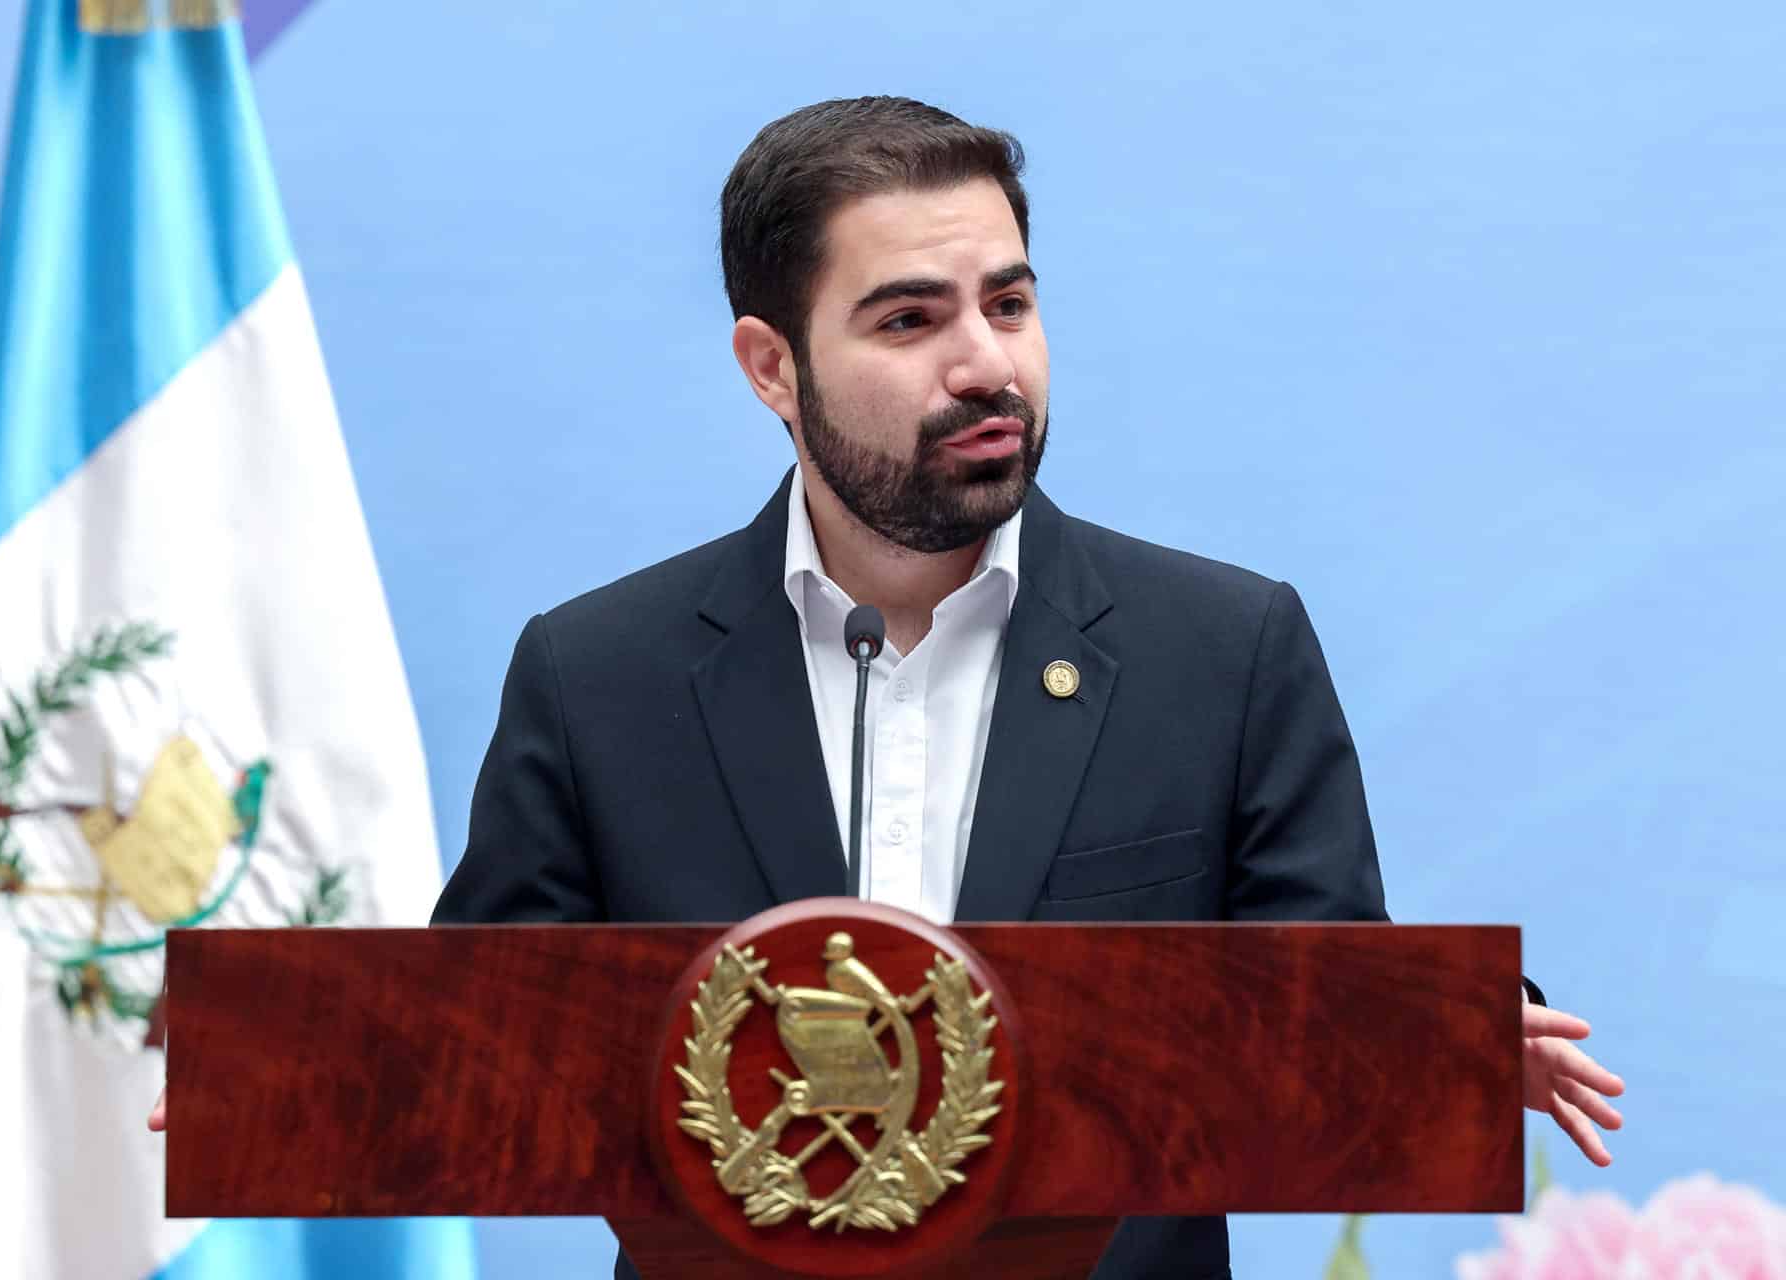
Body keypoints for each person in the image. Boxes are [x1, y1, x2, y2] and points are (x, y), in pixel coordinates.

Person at [155, 96, 1625, 1278]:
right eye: (911, 321)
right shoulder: (599, 676)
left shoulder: (1218, 649)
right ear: (770, 367)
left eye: (1011, 302)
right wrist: (293, 1074)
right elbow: (489, 1046)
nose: (988, 363)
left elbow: (1325, 1003)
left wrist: (1453, 1042)